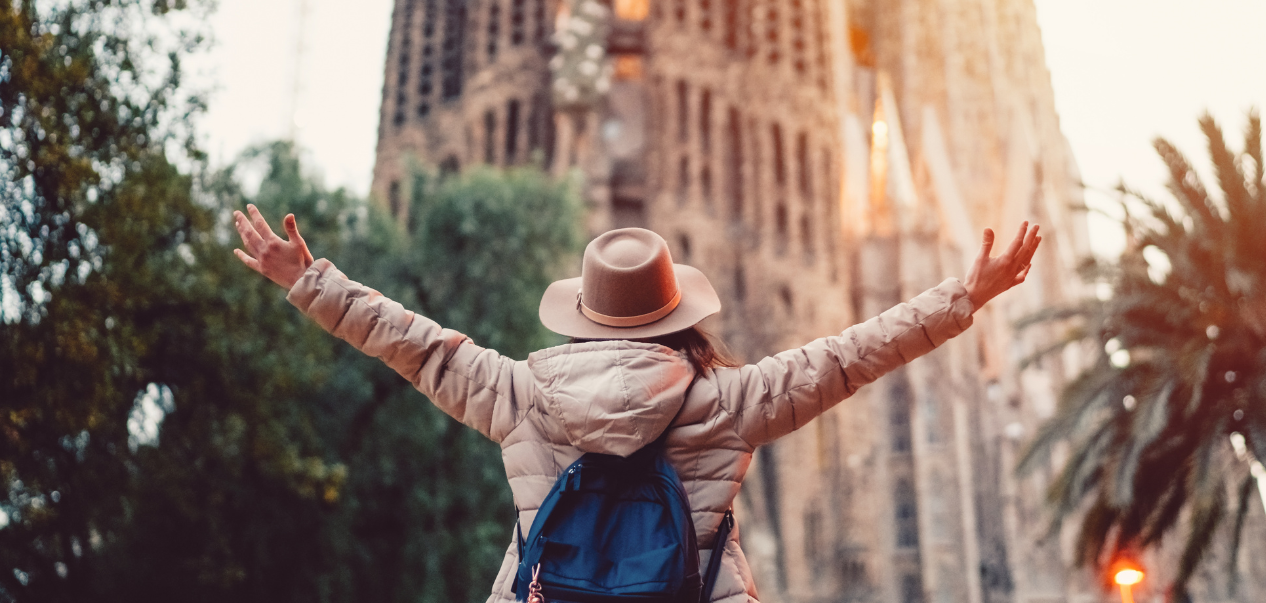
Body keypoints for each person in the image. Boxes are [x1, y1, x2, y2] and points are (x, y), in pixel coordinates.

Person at [232, 205, 1040, 603]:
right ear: (678, 317)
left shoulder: (520, 395)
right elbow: (854, 355)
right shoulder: (728, 400)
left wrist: (309, 280)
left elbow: (411, 342)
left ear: (582, 319)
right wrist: (965, 294)